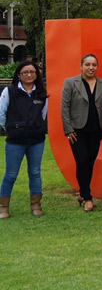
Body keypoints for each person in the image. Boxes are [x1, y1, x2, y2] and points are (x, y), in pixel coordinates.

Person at [60, 53, 102, 213]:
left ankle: (83, 193)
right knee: (82, 161)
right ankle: (87, 197)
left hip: (96, 130)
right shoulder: (70, 83)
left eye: (94, 65)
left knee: (89, 163)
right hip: (76, 131)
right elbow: (64, 107)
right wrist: (68, 129)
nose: (91, 68)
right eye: (87, 64)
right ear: (81, 66)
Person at [0, 60, 48, 218]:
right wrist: (12, 129)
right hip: (15, 141)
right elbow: (2, 114)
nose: (29, 75)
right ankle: (3, 207)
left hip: (36, 141)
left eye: (32, 72)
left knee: (35, 173)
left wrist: (37, 128)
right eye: (25, 72)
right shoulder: (10, 91)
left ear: (37, 74)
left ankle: (36, 205)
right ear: (19, 75)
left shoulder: (41, 93)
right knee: (10, 175)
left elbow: (43, 115)